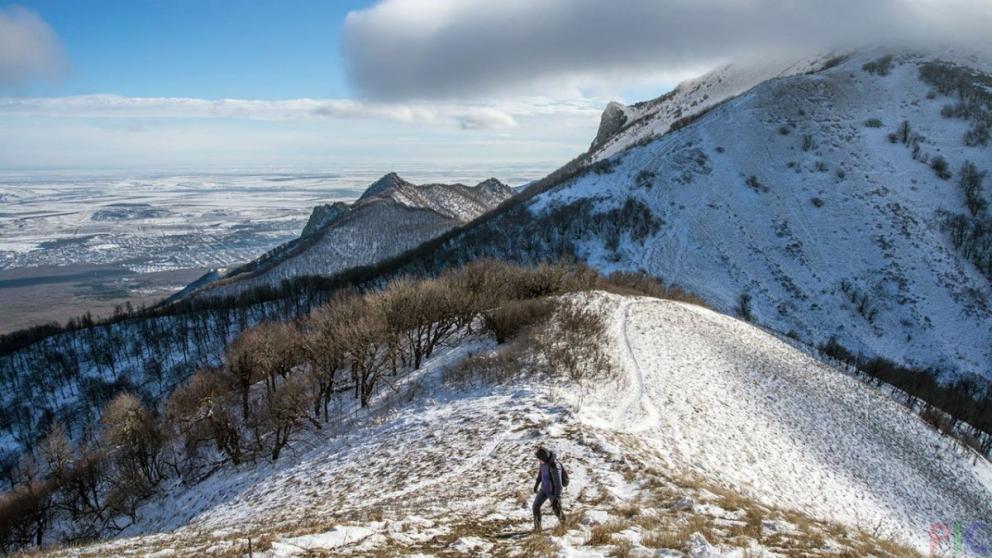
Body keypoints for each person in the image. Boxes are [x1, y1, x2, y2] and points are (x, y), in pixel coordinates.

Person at [532, 446, 565, 531]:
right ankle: (537, 529)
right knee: (535, 506)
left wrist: (556, 498)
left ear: (545, 458)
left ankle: (565, 526)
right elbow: (541, 473)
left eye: (540, 459)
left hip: (552, 492)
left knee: (557, 510)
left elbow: (558, 485)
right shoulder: (542, 462)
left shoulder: (555, 466)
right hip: (543, 489)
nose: (540, 461)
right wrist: (537, 483)